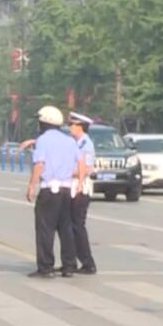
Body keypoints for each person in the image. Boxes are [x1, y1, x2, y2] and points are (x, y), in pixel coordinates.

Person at [26, 105, 80, 278]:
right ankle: (69, 266)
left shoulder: (43, 140)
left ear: (44, 123)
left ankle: (46, 267)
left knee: (45, 229)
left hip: (50, 189)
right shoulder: (70, 141)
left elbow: (39, 164)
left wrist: (31, 185)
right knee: (66, 229)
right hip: (67, 189)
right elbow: (79, 163)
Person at [67, 112, 98, 275]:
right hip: (71, 186)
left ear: (80, 127)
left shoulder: (86, 144)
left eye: (73, 125)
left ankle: (88, 263)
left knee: (77, 226)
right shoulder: (74, 142)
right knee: (69, 226)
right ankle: (71, 262)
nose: (70, 127)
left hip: (80, 187)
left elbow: (87, 169)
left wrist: (65, 172)